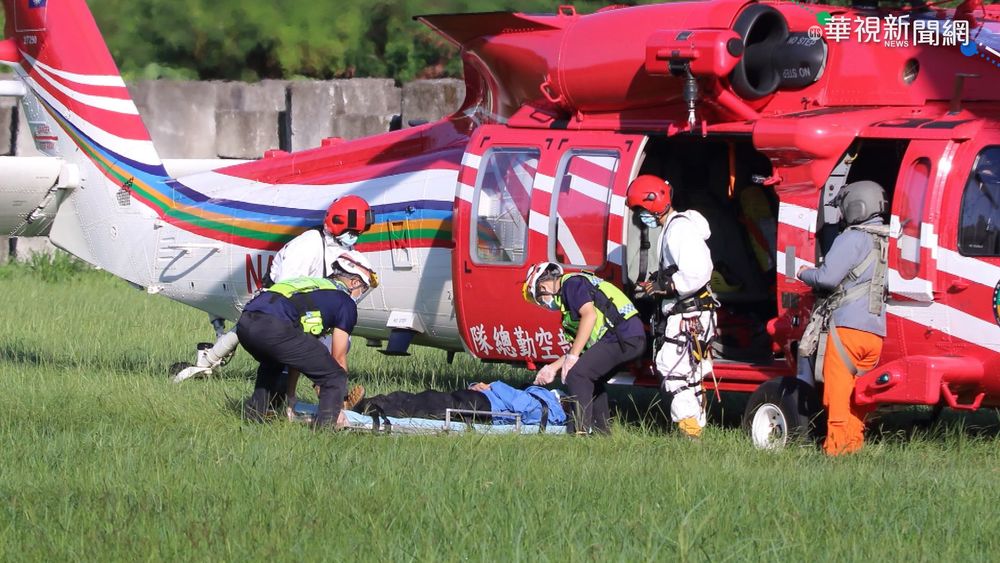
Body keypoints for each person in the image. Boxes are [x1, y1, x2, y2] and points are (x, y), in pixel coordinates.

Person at [173, 195, 375, 382]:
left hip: (300, 312)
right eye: (352, 232)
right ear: (338, 224)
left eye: (358, 233)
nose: (355, 237)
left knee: (338, 344)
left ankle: (315, 389)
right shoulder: (308, 245)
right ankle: (316, 391)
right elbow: (286, 289)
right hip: (281, 309)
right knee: (295, 353)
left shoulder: (343, 249)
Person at [797, 180, 889, 456]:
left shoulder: (852, 238)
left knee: (836, 394)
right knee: (858, 395)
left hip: (846, 331)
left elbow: (827, 278)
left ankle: (835, 451)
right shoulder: (886, 240)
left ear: (854, 206)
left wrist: (803, 272)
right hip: (875, 333)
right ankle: (854, 447)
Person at [235, 251, 378, 428]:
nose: (360, 294)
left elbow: (297, 353)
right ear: (354, 282)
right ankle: (326, 429)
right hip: (275, 326)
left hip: (245, 323)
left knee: (273, 364)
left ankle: (254, 417)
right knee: (333, 376)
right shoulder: (345, 302)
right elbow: (339, 358)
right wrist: (340, 398)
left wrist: (291, 397)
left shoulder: (313, 286)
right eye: (362, 288)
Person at [626, 175, 717, 439]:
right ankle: (696, 427)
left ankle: (691, 432)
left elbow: (697, 271)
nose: (640, 216)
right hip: (695, 313)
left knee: (670, 368)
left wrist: (667, 285)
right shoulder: (677, 227)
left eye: (641, 210)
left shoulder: (679, 230)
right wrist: (661, 281)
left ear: (654, 203)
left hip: (689, 314)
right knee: (690, 373)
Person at [523, 262, 646, 434]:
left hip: (622, 336)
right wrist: (552, 368)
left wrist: (572, 357)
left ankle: (578, 432)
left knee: (577, 376)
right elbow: (580, 347)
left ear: (543, 287)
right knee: (591, 378)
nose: (545, 305)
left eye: (541, 301)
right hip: (628, 337)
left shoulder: (571, 284)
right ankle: (601, 434)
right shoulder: (571, 293)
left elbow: (590, 315)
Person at [351, 381, 567, 427]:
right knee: (427, 399)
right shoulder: (545, 401)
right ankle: (370, 403)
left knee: (428, 404)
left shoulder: (549, 407)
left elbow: (523, 405)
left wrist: (493, 385)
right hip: (485, 401)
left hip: (486, 406)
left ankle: (368, 406)